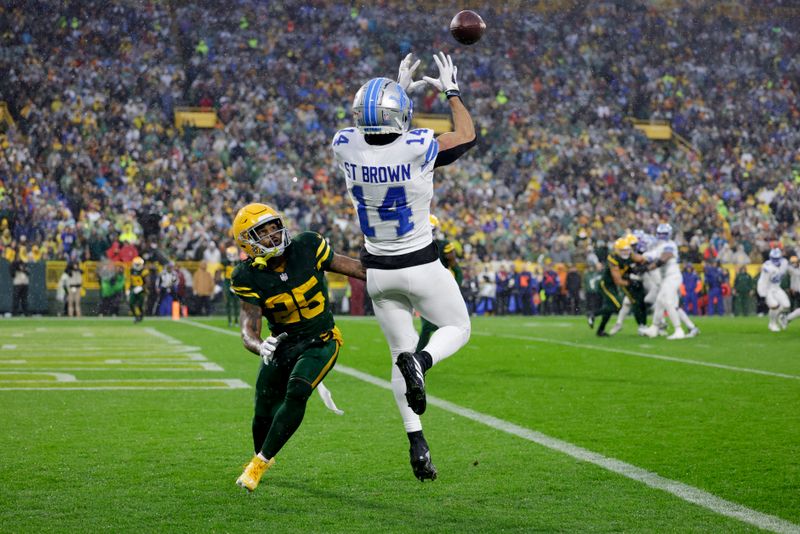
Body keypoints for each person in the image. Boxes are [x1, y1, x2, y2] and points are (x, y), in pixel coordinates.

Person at [331, 52, 475, 481]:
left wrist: (394, 91)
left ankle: (416, 441)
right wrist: (451, 90)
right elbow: (465, 135)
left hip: (377, 271)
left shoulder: (344, 144)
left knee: (398, 353)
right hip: (421, 262)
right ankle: (425, 363)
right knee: (458, 329)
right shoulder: (418, 147)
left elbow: (372, 134)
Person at [230, 203, 365, 493]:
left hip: (322, 338)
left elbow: (354, 267)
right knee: (263, 409)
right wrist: (259, 346)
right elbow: (247, 330)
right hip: (282, 345)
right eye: (261, 232)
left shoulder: (307, 245)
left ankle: (259, 464)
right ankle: (264, 451)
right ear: (247, 241)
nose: (272, 235)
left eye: (273, 227)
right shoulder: (246, 275)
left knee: (298, 389)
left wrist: (391, 271)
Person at [415, 215, 463, 352]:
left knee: (428, 326)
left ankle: (419, 356)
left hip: (439, 290)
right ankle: (420, 356)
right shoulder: (415, 246)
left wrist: (455, 289)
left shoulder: (444, 245)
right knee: (427, 325)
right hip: (422, 289)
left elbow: (458, 271)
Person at [757, 248, 792, 332]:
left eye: (777, 258)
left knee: (786, 305)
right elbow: (762, 282)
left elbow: (791, 268)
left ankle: (779, 316)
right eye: (774, 258)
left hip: (776, 288)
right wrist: (762, 295)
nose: (775, 260)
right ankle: (772, 323)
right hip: (767, 289)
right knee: (774, 306)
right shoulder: (767, 267)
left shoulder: (784, 263)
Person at [219, 246, 241, 327]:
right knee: (228, 302)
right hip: (227, 282)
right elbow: (219, 270)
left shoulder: (238, 262)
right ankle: (230, 320)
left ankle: (236, 320)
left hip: (235, 282)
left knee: (236, 302)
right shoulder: (224, 262)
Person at [127, 256, 149, 323]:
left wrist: (141, 287)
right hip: (133, 288)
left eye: (138, 264)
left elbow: (148, 283)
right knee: (131, 303)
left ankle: (141, 316)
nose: (137, 266)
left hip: (142, 290)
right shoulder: (131, 270)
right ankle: (136, 316)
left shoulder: (144, 271)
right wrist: (127, 289)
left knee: (140, 305)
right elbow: (129, 280)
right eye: (136, 264)